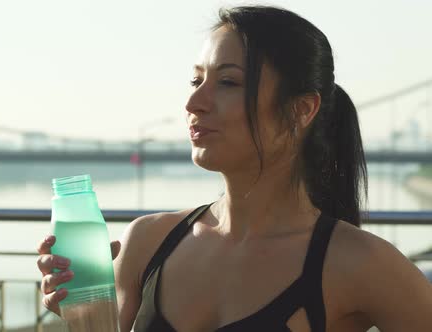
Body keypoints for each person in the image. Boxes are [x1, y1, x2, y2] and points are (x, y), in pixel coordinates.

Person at [37, 5, 432, 332]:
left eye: (227, 82)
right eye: (196, 79)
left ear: (301, 109)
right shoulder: (146, 243)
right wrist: (83, 316)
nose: (194, 103)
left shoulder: (360, 263)